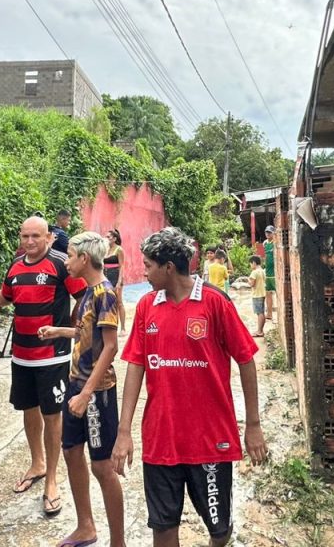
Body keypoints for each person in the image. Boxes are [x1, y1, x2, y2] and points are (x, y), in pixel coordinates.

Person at [111, 227, 268, 547]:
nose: (144, 272)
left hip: (210, 440)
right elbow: (136, 366)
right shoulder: (146, 306)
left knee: (219, 531)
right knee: (163, 527)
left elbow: (246, 359)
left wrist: (253, 425)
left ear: (169, 267)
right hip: (160, 439)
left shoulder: (215, 302)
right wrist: (124, 431)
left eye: (148, 265)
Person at [0, 216, 87, 518]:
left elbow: (84, 297)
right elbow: (3, 298)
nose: (29, 241)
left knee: (52, 416)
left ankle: (51, 480)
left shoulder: (60, 264)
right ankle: (37, 463)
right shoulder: (15, 265)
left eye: (35, 236)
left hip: (52, 356)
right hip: (21, 355)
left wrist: (71, 329)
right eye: (25, 236)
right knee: (29, 411)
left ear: (49, 237)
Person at [37, 231, 126, 547]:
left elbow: (110, 347)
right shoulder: (88, 293)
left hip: (96, 392)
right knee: (71, 451)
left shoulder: (105, 294)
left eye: (71, 256)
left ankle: (118, 542)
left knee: (102, 466)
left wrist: (87, 394)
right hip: (76, 384)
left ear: (85, 259)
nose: (66, 262)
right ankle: (85, 526)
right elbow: (85, 332)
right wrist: (58, 331)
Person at [103, 229, 126, 332]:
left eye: (109, 237)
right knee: (108, 302)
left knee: (119, 302)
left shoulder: (119, 249)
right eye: (106, 237)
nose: (106, 238)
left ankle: (123, 328)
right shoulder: (105, 249)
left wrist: (119, 281)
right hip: (106, 277)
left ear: (115, 239)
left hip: (115, 277)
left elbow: (122, 266)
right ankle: (111, 326)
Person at [248, 256, 267, 338]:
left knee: (259, 313)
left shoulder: (254, 272)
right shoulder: (262, 271)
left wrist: (248, 281)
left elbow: (252, 284)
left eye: (250, 264)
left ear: (254, 263)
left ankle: (259, 331)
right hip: (262, 293)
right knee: (262, 312)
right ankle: (261, 330)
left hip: (257, 294)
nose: (250, 266)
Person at [263, 225, 277, 321]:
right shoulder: (265, 243)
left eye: (269, 232)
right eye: (266, 232)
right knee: (268, 294)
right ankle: (269, 314)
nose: (268, 234)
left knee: (278, 294)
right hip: (268, 273)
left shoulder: (276, 243)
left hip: (275, 273)